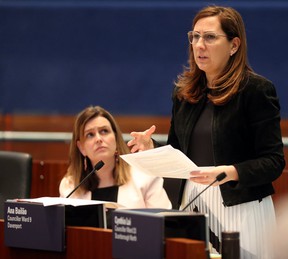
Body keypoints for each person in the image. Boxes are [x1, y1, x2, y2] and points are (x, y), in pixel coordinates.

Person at [127, 5, 285, 259]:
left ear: (234, 45)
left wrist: (227, 172)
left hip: (240, 207)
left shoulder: (256, 90)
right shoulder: (184, 92)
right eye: (195, 36)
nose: (199, 45)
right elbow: (179, 153)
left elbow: (273, 162)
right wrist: (152, 148)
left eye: (210, 37)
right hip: (194, 203)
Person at [59, 105, 172, 227]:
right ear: (82, 148)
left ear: (116, 139)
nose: (98, 139)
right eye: (90, 135)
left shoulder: (145, 177)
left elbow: (166, 226)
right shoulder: (70, 186)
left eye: (104, 131)